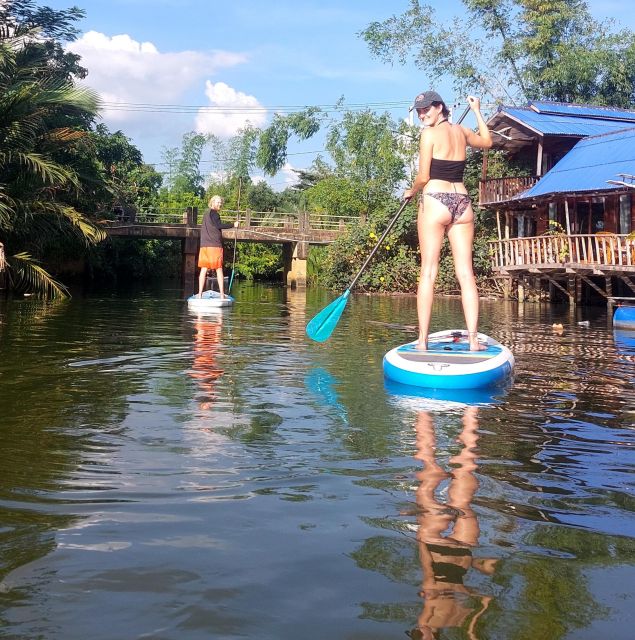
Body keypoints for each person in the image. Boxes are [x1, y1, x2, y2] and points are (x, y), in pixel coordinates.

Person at [403, 91, 492, 351]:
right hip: (462, 203)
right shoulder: (462, 131)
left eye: (426, 109)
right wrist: (477, 110)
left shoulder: (428, 135)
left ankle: (422, 341)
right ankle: (473, 340)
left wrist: (411, 191)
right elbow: (487, 140)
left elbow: (422, 176)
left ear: (439, 107)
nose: (422, 114)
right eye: (419, 111)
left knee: (428, 272)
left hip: (435, 200)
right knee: (466, 273)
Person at [197, 195, 239, 299]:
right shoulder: (215, 214)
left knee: (203, 269)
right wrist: (233, 224)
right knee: (219, 269)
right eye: (218, 202)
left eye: (220, 203)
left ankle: (200, 295)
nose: (220, 204)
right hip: (214, 246)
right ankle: (221, 295)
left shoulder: (206, 213)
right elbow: (219, 225)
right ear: (212, 202)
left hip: (204, 246)